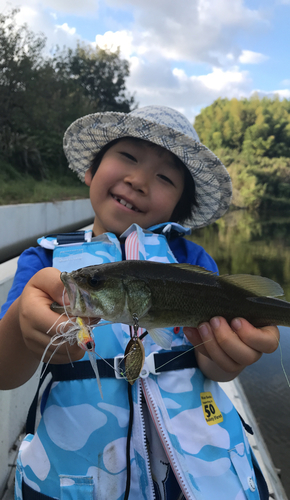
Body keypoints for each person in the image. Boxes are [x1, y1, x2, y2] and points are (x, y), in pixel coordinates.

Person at [0, 106, 279, 500]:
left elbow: (212, 364)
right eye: (128, 157)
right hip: (80, 482)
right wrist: (19, 325)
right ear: (90, 172)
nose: (139, 180)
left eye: (165, 177)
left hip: (191, 479)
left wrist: (228, 357)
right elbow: (3, 373)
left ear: (181, 208)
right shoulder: (43, 261)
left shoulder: (194, 262)